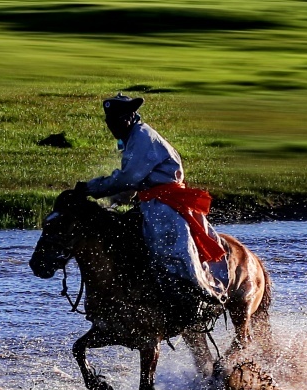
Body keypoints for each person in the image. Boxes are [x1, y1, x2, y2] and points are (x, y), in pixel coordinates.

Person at [76, 94, 226, 311]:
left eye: (116, 120)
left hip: (165, 204)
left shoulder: (143, 137)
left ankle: (200, 288)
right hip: (151, 201)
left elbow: (129, 178)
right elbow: (131, 182)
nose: (112, 126)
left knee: (171, 246)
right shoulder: (132, 137)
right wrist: (114, 201)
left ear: (129, 117)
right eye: (109, 121)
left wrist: (93, 188)